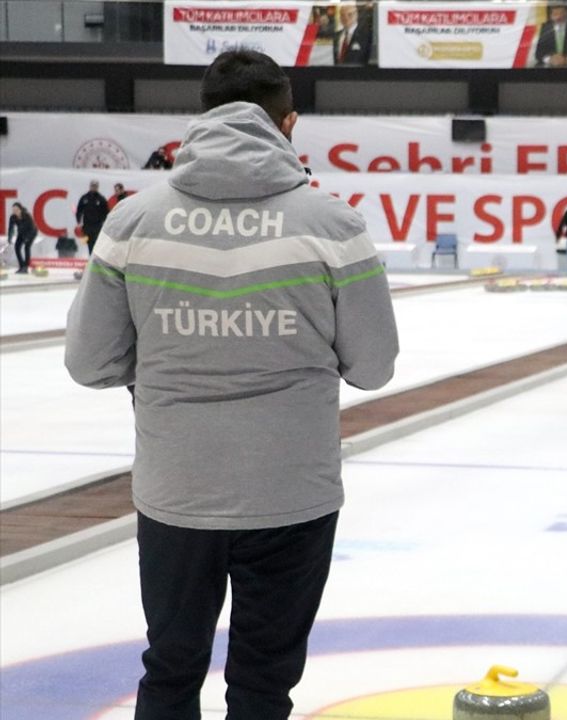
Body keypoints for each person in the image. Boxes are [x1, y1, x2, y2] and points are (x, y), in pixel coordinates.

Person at [64, 49, 399, 720]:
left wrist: (168, 369)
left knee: (170, 671)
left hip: (176, 489)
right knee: (263, 686)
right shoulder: (334, 225)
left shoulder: (131, 223)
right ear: (289, 123)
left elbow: (89, 362)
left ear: (202, 120)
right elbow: (373, 366)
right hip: (291, 493)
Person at [75, 180, 109, 257]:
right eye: (92, 186)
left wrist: (103, 221)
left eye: (95, 186)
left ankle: (94, 259)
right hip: (87, 225)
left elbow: (106, 212)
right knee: (88, 243)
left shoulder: (101, 199)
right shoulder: (84, 198)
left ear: (98, 187)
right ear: (90, 187)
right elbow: (79, 210)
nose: (94, 188)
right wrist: (78, 221)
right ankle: (90, 258)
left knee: (96, 243)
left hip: (97, 226)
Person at [7, 202, 37, 274]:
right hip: (21, 233)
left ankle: (26, 267)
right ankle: (22, 266)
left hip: (31, 233)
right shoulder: (12, 217)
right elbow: (11, 228)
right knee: (17, 247)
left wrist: (27, 238)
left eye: (16, 210)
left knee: (27, 247)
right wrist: (9, 238)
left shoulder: (27, 216)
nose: (15, 211)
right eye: (13, 210)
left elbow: (32, 228)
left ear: (20, 209)